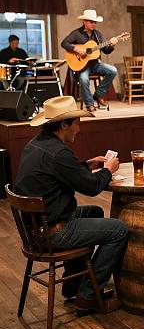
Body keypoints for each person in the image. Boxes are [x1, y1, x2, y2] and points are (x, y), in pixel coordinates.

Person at [15, 96, 128, 315]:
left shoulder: (37, 144)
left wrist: (86, 165)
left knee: (94, 211)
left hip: (35, 228)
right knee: (119, 230)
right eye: (77, 122)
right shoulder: (58, 153)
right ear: (64, 125)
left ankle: (72, 285)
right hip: (52, 232)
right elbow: (92, 187)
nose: (79, 128)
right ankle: (88, 296)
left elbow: (61, 172)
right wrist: (108, 170)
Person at [61, 9, 118, 112]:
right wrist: (76, 49)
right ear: (84, 22)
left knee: (112, 70)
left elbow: (105, 50)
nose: (93, 24)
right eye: (91, 22)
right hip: (83, 67)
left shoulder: (98, 35)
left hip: (95, 65)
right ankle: (89, 104)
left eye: (95, 22)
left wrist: (112, 45)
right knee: (83, 79)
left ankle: (98, 95)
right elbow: (64, 43)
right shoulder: (76, 33)